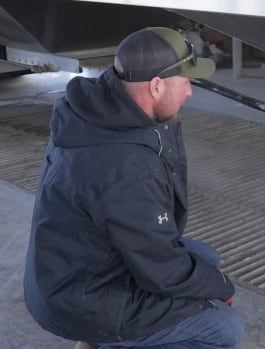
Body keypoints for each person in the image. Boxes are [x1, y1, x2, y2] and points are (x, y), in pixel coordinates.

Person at [23, 27, 245, 348]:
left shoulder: (99, 109)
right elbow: (162, 270)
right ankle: (103, 338)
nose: (189, 93)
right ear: (155, 86)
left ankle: (102, 340)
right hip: (80, 298)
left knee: (205, 257)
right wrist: (221, 287)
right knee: (225, 327)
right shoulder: (122, 166)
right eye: (185, 83)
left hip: (65, 270)